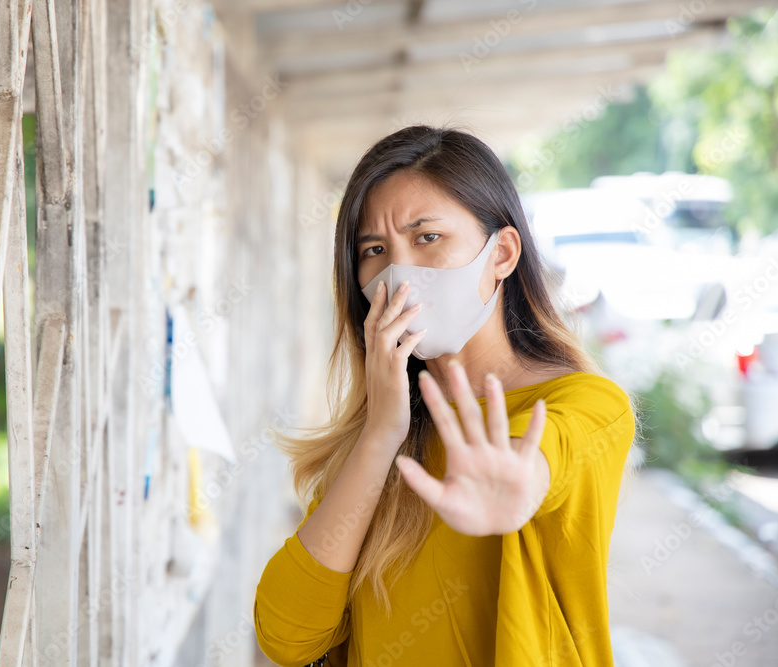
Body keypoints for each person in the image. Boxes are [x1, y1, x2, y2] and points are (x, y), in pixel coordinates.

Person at [253, 125, 642, 666]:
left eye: (427, 238)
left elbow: (546, 452)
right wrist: (379, 436)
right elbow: (285, 637)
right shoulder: (379, 439)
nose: (399, 273)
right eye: (374, 249)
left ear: (501, 253)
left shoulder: (586, 403)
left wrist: (520, 483)